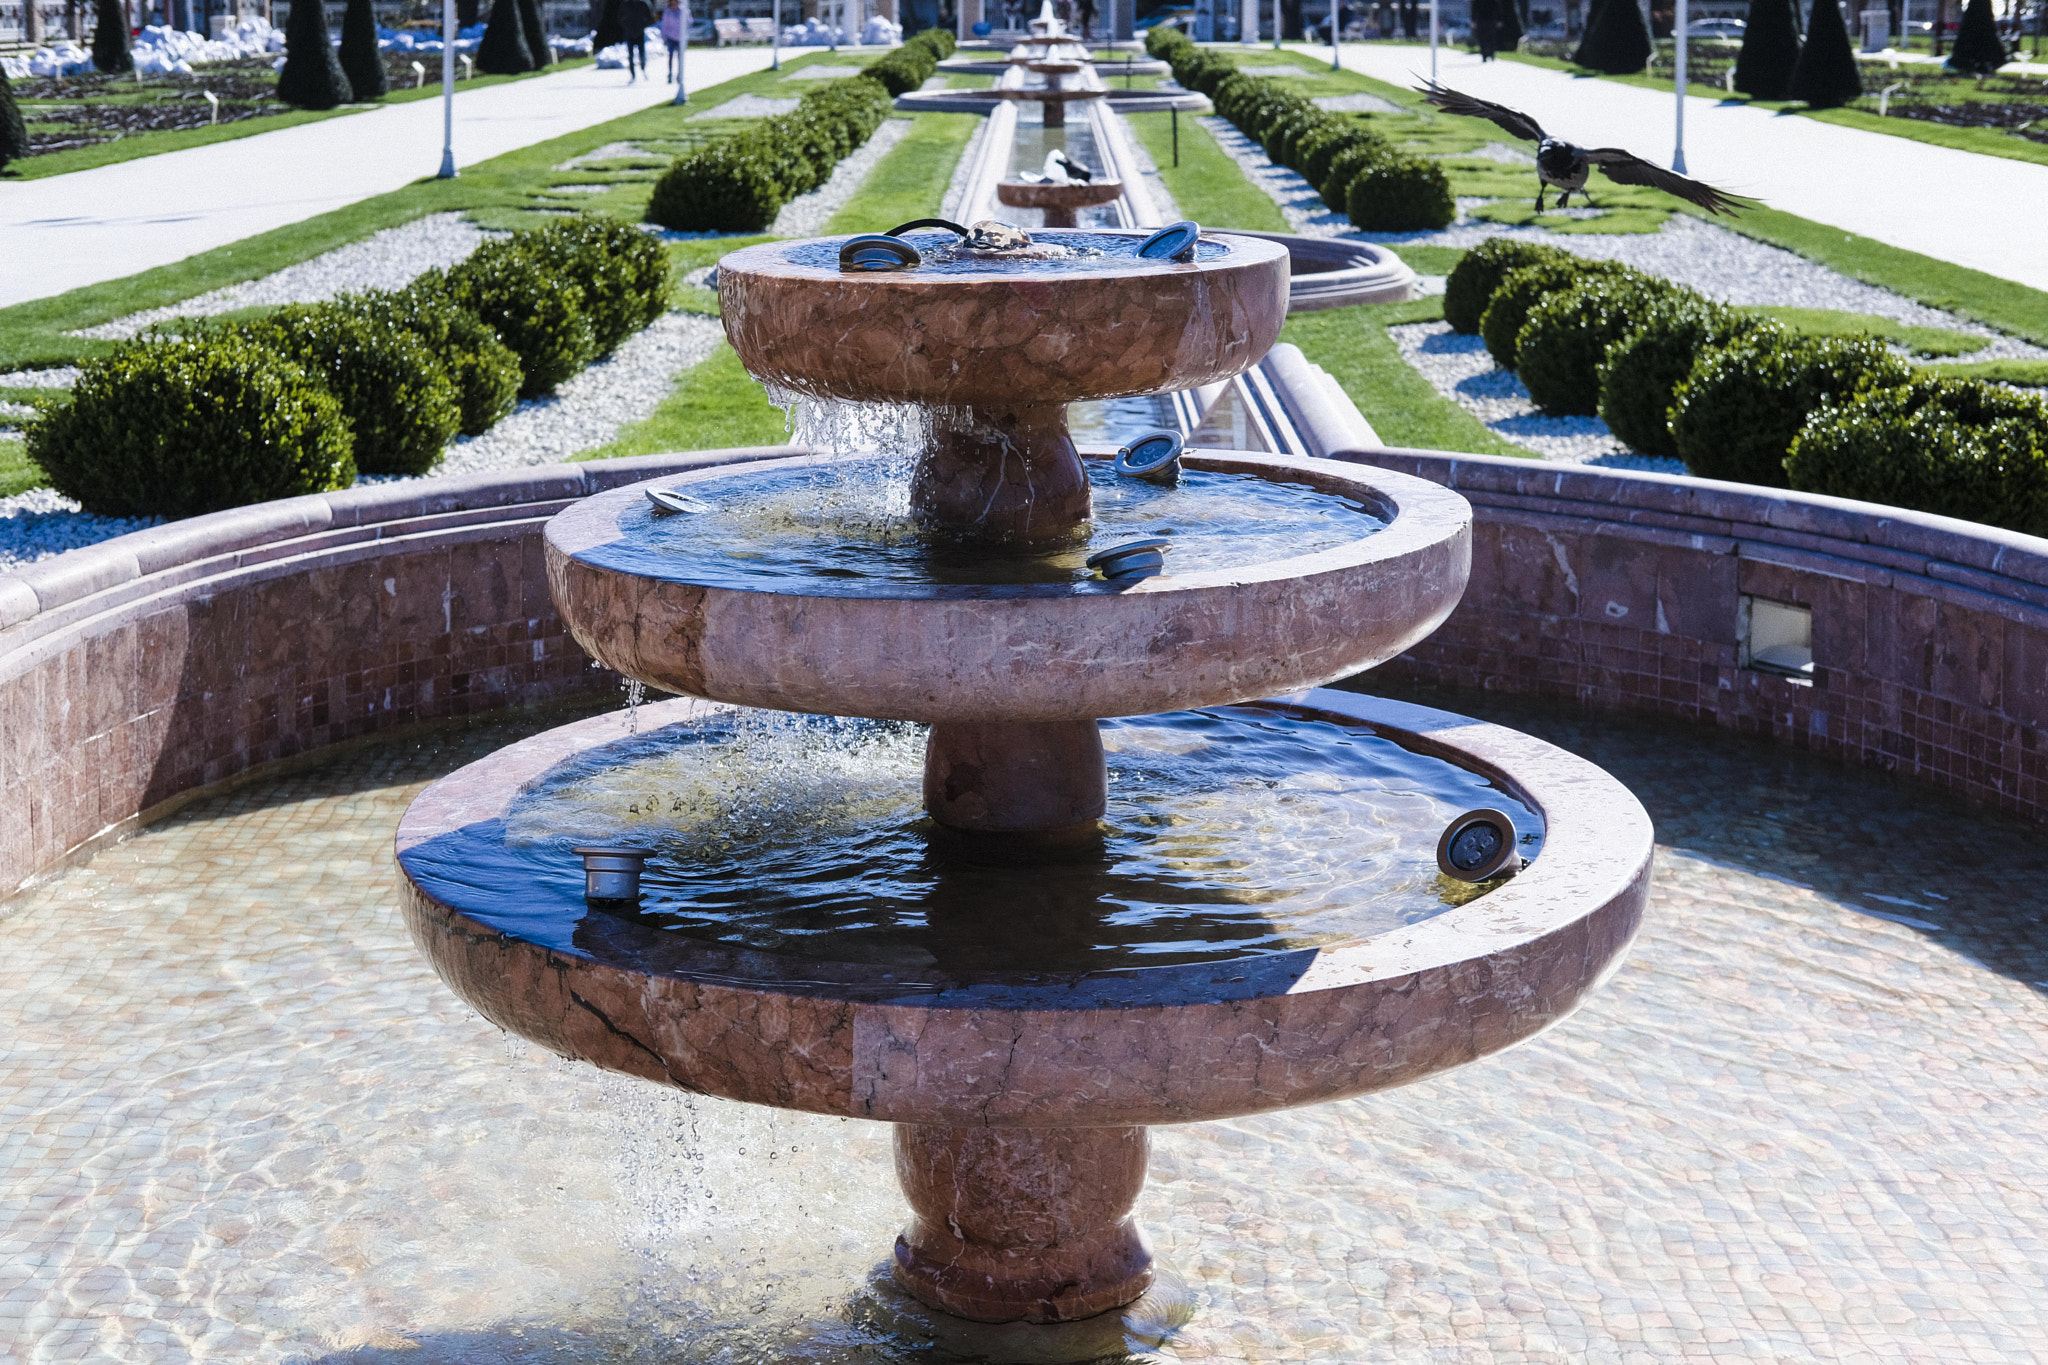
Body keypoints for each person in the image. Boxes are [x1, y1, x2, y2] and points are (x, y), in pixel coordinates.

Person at [618, 0, 654, 80]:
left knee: (642, 53)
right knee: (630, 55)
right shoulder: (625, 4)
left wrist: (642, 26)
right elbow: (620, 17)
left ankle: (643, 68)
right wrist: (626, 27)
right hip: (629, 33)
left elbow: (650, 16)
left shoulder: (643, 4)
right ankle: (633, 74)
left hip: (640, 33)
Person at [660, 0, 687, 82]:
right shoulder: (667, 12)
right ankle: (670, 74)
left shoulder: (683, 11)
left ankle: (679, 74)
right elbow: (664, 25)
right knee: (670, 56)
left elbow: (688, 23)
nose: (674, 4)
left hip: (680, 38)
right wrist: (664, 37)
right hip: (670, 37)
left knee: (680, 58)